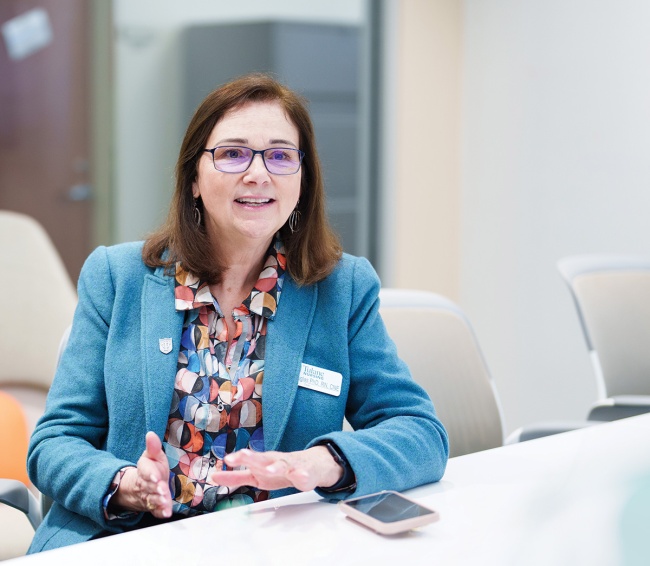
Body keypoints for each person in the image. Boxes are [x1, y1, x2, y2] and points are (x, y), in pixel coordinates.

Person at [27, 73, 449, 552]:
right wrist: (126, 484)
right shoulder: (117, 277)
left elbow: (421, 433)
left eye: (280, 155)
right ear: (193, 180)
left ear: (302, 182)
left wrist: (318, 464)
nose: (258, 173)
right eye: (232, 153)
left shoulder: (341, 289)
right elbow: (54, 443)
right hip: (129, 541)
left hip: (276, 547)